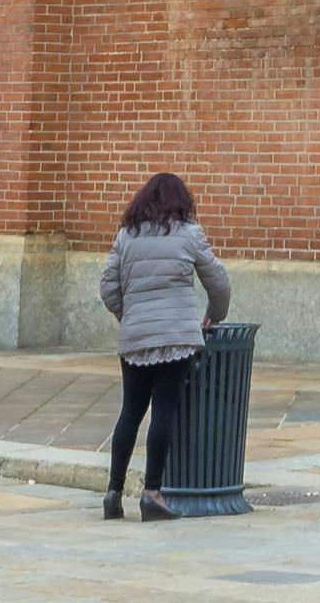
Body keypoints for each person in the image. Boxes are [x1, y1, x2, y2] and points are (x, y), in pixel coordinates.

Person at [97, 170, 230, 516]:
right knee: (164, 410)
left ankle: (113, 491)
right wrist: (213, 315)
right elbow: (219, 281)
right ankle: (152, 492)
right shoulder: (189, 233)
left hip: (135, 338)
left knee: (130, 411)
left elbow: (107, 286)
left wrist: (128, 315)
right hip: (176, 338)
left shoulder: (127, 235)